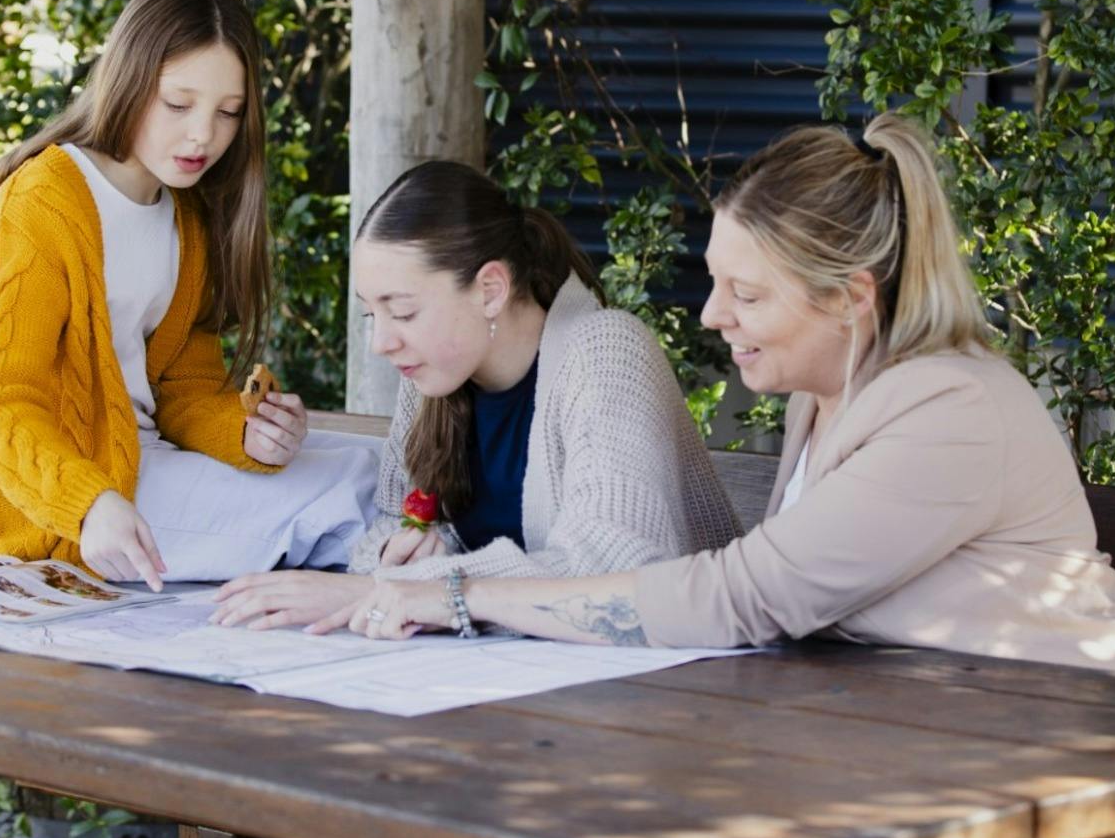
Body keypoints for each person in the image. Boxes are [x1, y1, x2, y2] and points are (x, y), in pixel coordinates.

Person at [320, 114, 1115, 838]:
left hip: (1091, 829)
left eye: (745, 292)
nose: (710, 315)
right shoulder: (830, 399)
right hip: (945, 801)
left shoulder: (950, 407)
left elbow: (751, 596)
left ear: (849, 298)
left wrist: (467, 596)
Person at [0, 0, 376, 587]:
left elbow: (183, 386)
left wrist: (248, 435)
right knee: (352, 493)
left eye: (228, 113)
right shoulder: (41, 205)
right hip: (75, 514)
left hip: (150, 470)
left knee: (372, 465)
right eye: (179, 105)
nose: (204, 134)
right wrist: (89, 504)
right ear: (128, 81)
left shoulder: (185, 215)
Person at [208, 160, 741, 628]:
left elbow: (615, 569)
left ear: (490, 289)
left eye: (404, 311)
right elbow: (388, 526)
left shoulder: (606, 353)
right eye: (373, 314)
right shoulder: (433, 377)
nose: (381, 342)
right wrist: (409, 558)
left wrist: (401, 589)